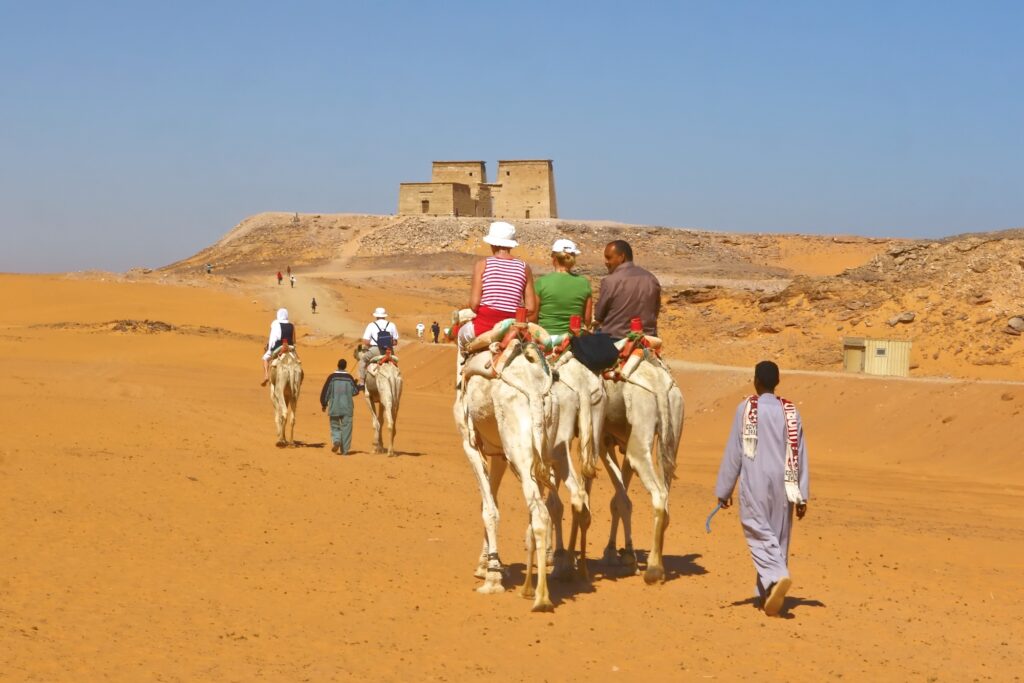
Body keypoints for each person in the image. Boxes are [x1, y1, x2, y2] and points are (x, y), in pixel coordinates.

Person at [714, 360, 810, 617]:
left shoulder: (746, 408)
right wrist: (801, 495)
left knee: (757, 531)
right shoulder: (790, 411)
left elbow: (735, 452)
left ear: (756, 381)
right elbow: (798, 452)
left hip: (755, 480)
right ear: (776, 383)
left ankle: (778, 576)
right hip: (785, 482)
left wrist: (724, 490)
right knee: (779, 537)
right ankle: (767, 595)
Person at [460, 221, 536, 346]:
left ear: (492, 244)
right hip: (513, 327)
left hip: (484, 326)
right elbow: (531, 308)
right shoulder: (524, 267)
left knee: (460, 336)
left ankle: (463, 365)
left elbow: (474, 305)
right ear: (511, 245)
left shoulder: (482, 265)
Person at [593, 240, 661, 340]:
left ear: (621, 257)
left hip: (615, 339)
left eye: (609, 257)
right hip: (647, 339)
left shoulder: (610, 281)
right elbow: (655, 310)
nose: (606, 262)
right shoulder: (651, 279)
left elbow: (599, 316)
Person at [533, 238, 593, 335]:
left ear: (554, 258)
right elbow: (587, 319)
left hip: (547, 338)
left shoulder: (541, 282)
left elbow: (533, 317)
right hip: (574, 339)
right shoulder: (584, 283)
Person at [320, 359, 360, 455]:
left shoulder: (332, 377)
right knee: (347, 428)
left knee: (335, 426)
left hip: (334, 406)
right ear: (345, 366)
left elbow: (326, 391)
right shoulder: (349, 378)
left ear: (338, 365)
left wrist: (324, 404)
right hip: (347, 407)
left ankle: (336, 440)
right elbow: (355, 392)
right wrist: (355, 383)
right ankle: (345, 450)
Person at [357, 307, 399, 384]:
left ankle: (362, 381)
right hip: (389, 352)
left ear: (376, 316)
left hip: (375, 350)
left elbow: (366, 341)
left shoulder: (371, 325)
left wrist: (371, 345)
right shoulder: (392, 325)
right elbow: (395, 342)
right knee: (395, 364)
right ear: (384, 316)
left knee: (363, 360)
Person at [261, 308, 296, 386]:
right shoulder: (292, 325)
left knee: (265, 358)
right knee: (297, 362)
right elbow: (294, 341)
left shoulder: (275, 324)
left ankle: (266, 375)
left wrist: (270, 348)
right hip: (290, 348)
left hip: (279, 347)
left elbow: (273, 338)